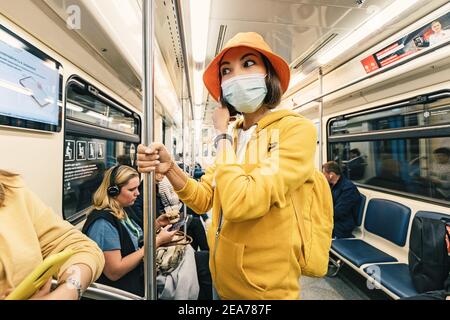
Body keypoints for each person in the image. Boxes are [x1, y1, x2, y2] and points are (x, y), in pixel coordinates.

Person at [137, 32, 319, 299]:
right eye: (226, 70)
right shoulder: (234, 137)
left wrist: (221, 134)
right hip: (221, 276)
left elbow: (243, 201)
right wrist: (170, 169)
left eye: (248, 64)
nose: (235, 76)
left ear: (268, 75)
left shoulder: (295, 130)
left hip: (263, 289)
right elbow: (203, 199)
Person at [0, 170, 105, 300]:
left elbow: (78, 246)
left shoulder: (10, 190)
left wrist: (68, 291)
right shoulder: (103, 223)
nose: (137, 194)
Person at [82, 165, 179, 296]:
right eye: (131, 189)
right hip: (122, 291)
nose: (137, 193)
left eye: (137, 188)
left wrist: (157, 223)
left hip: (138, 276)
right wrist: (156, 242)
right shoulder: (103, 224)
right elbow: (114, 272)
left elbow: (135, 239)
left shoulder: (123, 209)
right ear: (113, 191)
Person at [322, 161, 362, 239]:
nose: (323, 176)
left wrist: (320, 216)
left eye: (324, 174)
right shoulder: (331, 186)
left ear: (331, 175)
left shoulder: (348, 188)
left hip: (342, 225)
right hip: (333, 220)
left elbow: (338, 212)